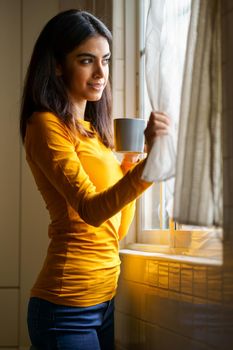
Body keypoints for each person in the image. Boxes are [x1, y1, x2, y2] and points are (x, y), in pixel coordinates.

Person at [20, 9, 170, 350]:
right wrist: (150, 169)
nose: (101, 73)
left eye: (106, 60)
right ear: (58, 65)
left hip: (103, 300)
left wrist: (134, 164)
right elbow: (90, 210)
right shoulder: (45, 125)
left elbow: (114, 228)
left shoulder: (94, 134)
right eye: (87, 60)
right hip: (65, 307)